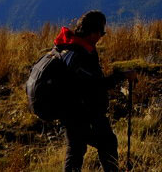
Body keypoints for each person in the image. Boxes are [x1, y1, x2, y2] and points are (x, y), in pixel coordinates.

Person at [54, 10, 137, 172]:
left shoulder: (67, 47)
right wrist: (122, 76)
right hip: (86, 113)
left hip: (69, 112)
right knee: (107, 143)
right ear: (93, 32)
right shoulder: (81, 53)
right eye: (102, 33)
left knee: (76, 151)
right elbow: (95, 85)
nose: (101, 37)